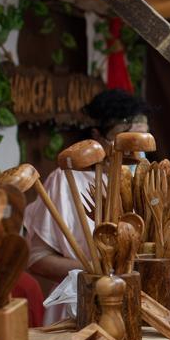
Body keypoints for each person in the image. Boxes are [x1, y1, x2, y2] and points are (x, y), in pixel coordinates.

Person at [24, 89, 151, 305]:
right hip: (81, 303)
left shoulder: (151, 181)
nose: (136, 153)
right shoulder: (66, 182)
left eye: (143, 141)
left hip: (144, 300)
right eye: (127, 143)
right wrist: (97, 272)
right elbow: (36, 259)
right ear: (97, 137)